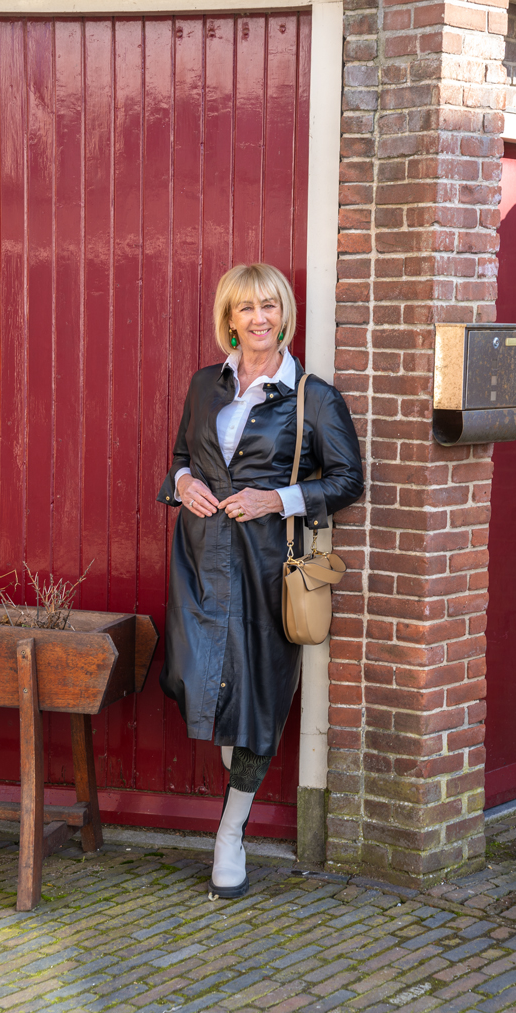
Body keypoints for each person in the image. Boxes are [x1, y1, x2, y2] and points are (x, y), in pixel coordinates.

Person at [157, 263, 364, 898]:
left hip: (266, 569)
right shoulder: (204, 386)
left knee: (257, 701)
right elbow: (181, 459)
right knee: (201, 684)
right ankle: (236, 787)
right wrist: (183, 485)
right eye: (246, 307)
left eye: (269, 305)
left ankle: (231, 832)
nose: (259, 318)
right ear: (230, 318)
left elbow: (348, 481)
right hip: (199, 562)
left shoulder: (313, 395)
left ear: (284, 313)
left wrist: (278, 500)